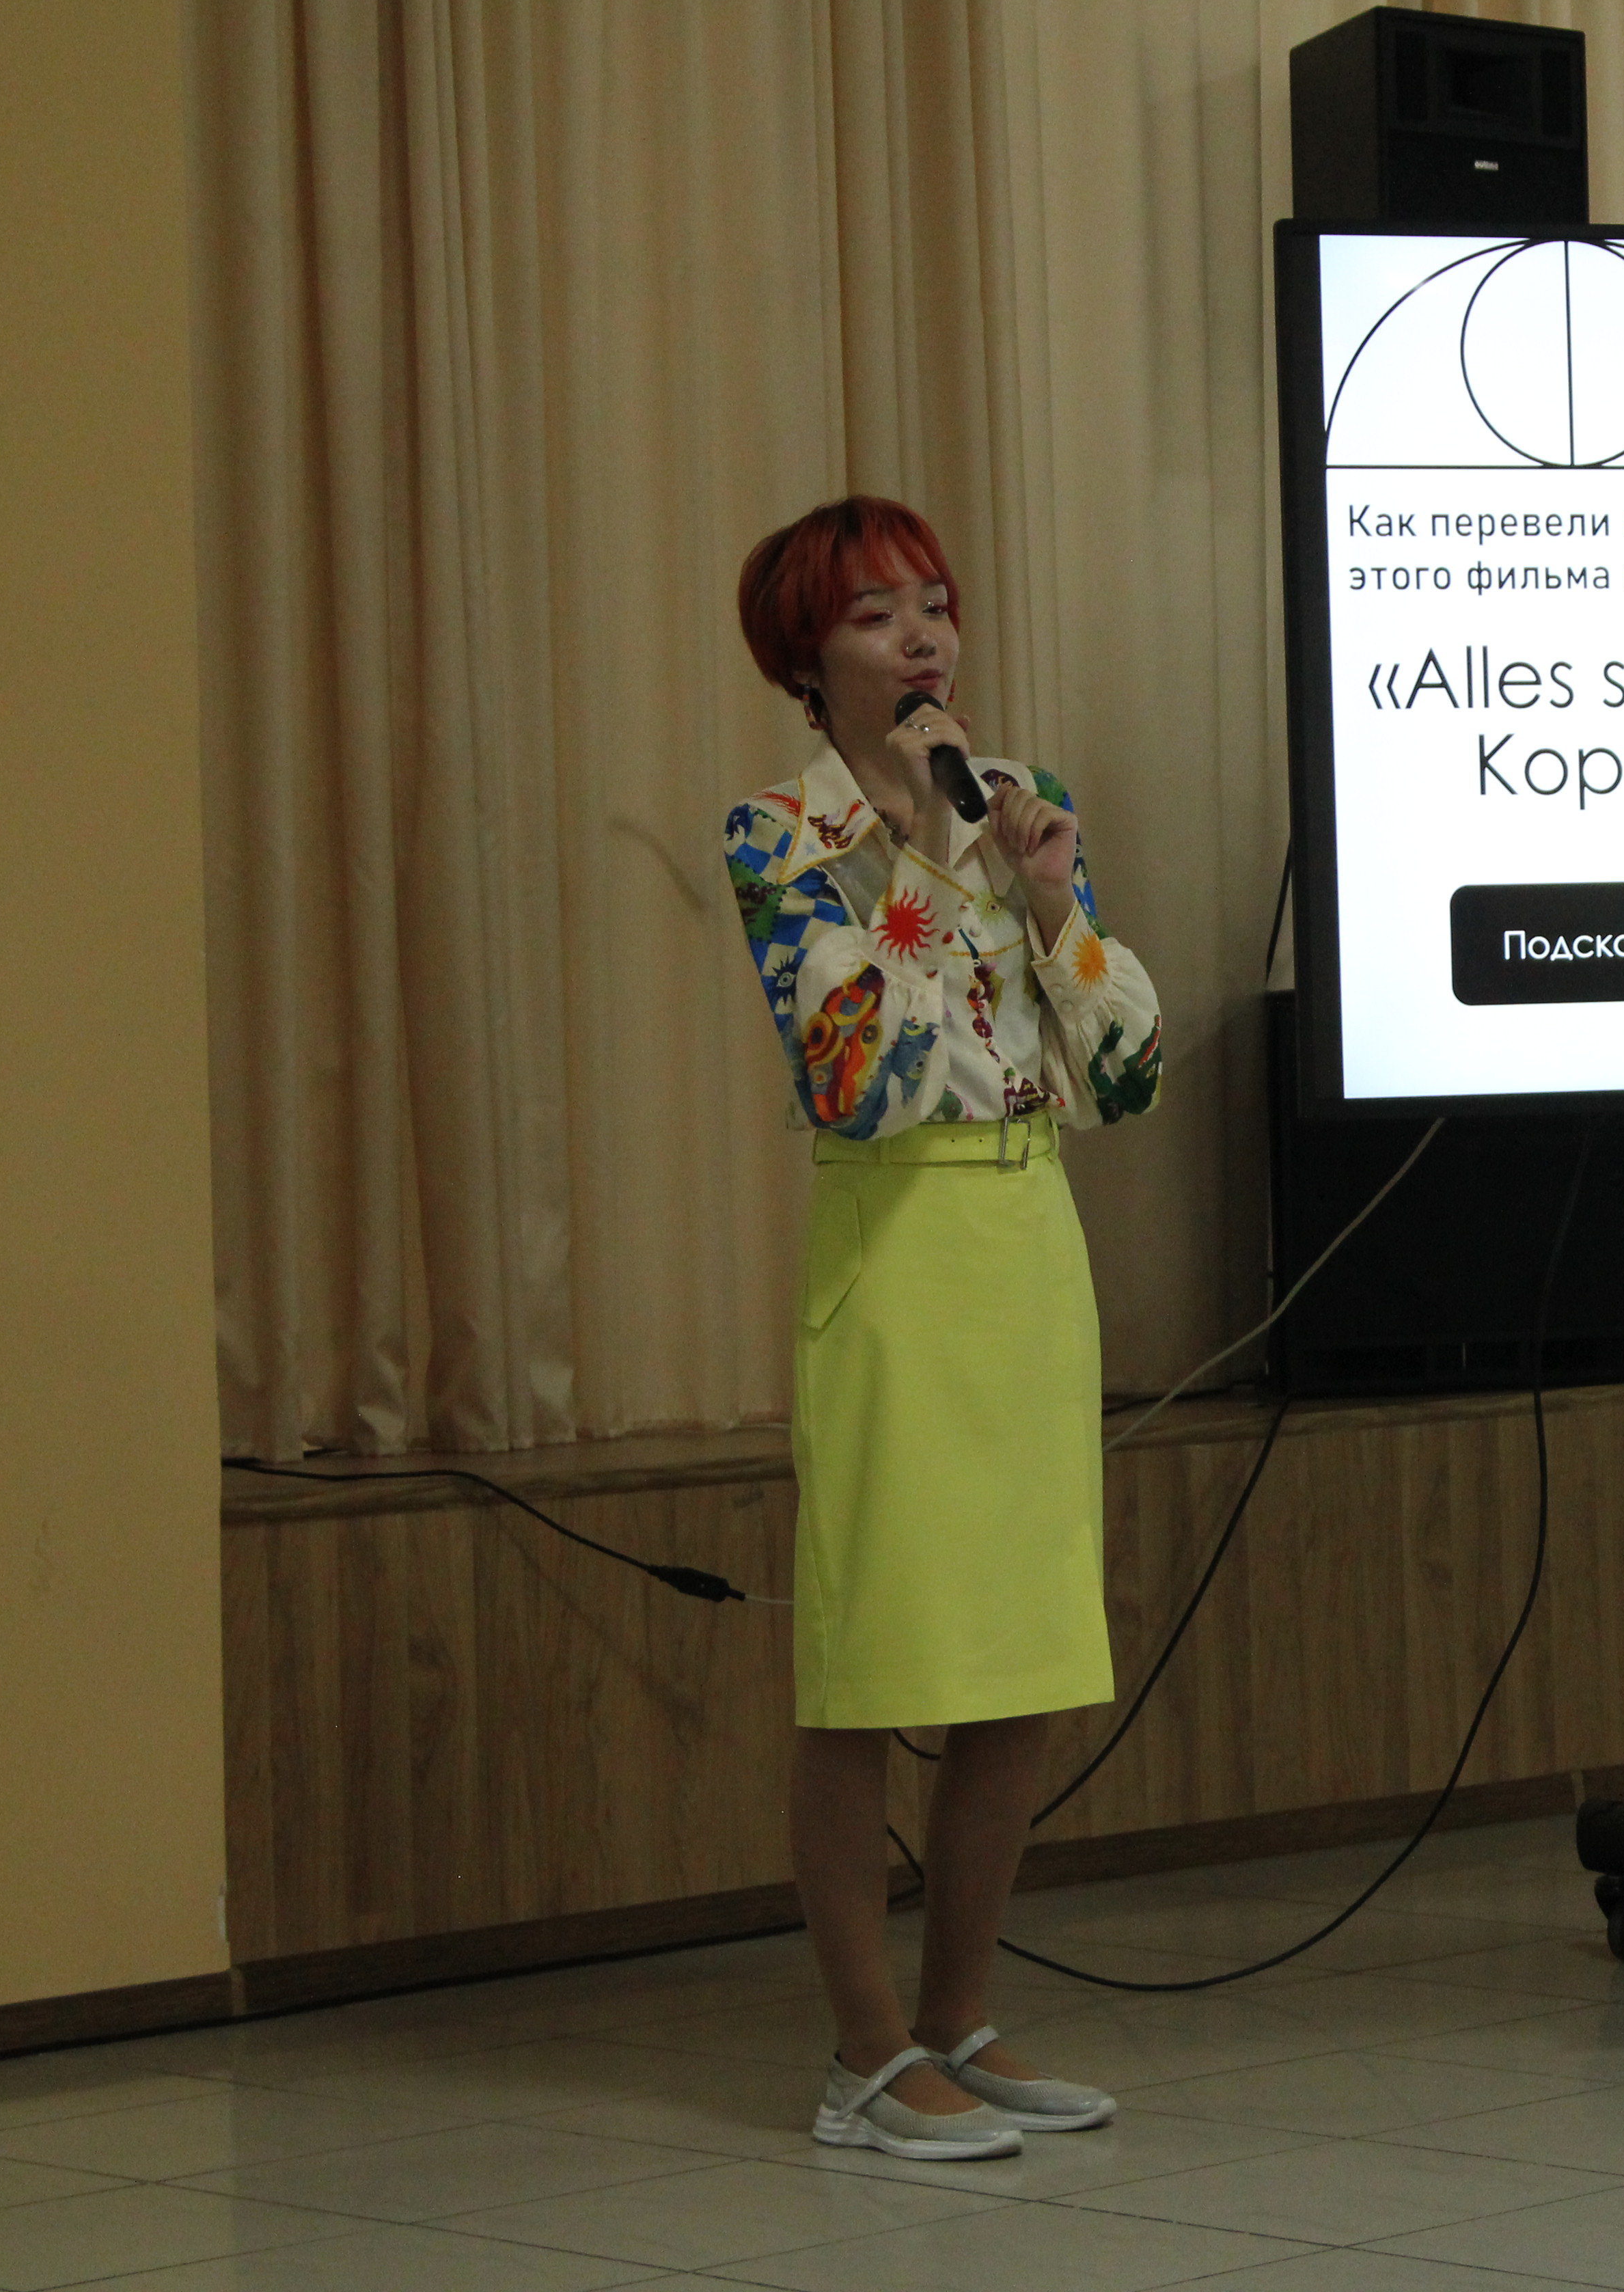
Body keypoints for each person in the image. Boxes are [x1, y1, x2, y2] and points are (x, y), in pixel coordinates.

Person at [722, 493, 1164, 2161]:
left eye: (935, 604)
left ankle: (961, 2020)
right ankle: (864, 2053)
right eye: (876, 615)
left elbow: (1125, 1077)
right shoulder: (784, 837)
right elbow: (856, 1075)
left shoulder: (1020, 803)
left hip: (1030, 1244)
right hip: (898, 1258)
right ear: (807, 658)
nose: (922, 639)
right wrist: (916, 853)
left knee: (1018, 1670)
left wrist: (1049, 904)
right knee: (870, 1671)